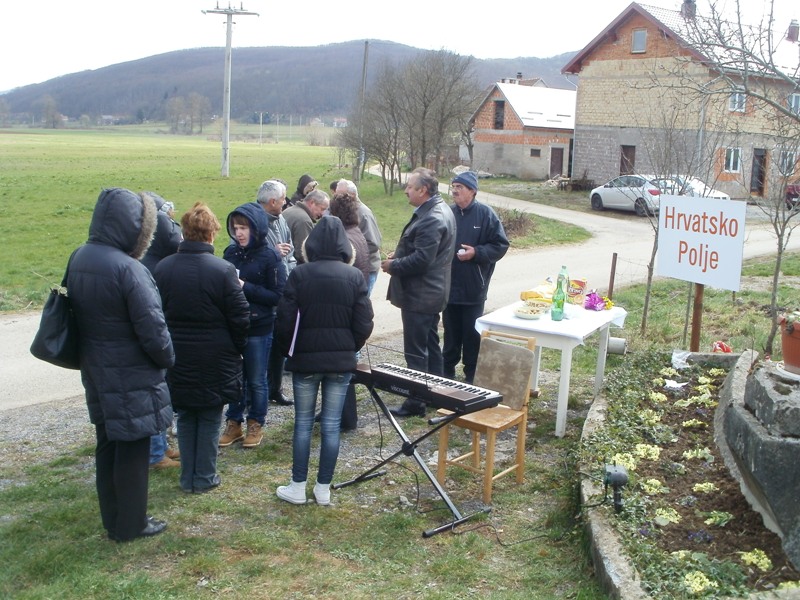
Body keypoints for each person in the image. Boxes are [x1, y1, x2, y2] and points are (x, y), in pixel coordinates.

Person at [67, 187, 174, 542]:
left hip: (95, 368)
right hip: (131, 373)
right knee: (132, 449)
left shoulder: (79, 256)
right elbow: (153, 328)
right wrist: (167, 359)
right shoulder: (129, 268)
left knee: (107, 444)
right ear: (134, 227)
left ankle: (113, 518)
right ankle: (132, 524)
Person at [275, 216, 374, 505]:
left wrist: (288, 351)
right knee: (331, 425)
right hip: (340, 363)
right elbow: (364, 322)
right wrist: (350, 348)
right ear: (345, 246)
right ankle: (323, 488)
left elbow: (284, 320)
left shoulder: (300, 274)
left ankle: (297, 486)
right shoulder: (355, 276)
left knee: (303, 424)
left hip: (305, 361)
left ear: (311, 245)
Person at [154, 203, 250, 493]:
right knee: (209, 414)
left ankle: (188, 478)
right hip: (216, 355)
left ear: (185, 233)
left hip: (177, 354)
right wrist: (237, 347)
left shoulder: (163, 268)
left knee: (185, 414)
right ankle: (204, 477)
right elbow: (241, 316)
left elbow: (156, 313)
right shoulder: (223, 271)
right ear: (211, 235)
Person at [381, 168, 456, 417]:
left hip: (421, 295)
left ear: (423, 190)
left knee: (415, 351)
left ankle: (416, 402)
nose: (405, 190)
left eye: (410, 187)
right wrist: (400, 255)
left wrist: (393, 265)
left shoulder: (432, 217)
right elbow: (424, 252)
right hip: (431, 292)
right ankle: (437, 393)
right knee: (431, 345)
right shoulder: (441, 209)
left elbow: (422, 260)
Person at [219, 202, 286, 448]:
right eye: (236, 228)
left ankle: (256, 422)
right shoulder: (230, 254)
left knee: (257, 379)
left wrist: (244, 286)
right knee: (236, 377)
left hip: (260, 327)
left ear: (256, 229)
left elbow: (278, 296)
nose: (239, 233)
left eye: (244, 228)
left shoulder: (271, 257)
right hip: (234, 326)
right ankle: (233, 422)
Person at [443, 171, 509, 383]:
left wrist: (476, 253)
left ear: (472, 191)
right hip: (448, 286)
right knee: (451, 334)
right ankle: (446, 373)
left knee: (472, 335)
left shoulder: (486, 215)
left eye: (459, 187)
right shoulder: (447, 213)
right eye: (453, 186)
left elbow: (500, 245)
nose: (454, 190)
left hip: (473, 288)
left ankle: (472, 376)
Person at [140, 192, 183, 470]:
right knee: (156, 390)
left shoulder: (143, 239)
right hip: (157, 327)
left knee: (161, 389)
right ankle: (155, 452)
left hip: (158, 324)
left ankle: (161, 444)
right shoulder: (164, 230)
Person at [328, 192, 371, 431]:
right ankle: (343, 416)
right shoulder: (357, 233)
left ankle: (345, 419)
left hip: (345, 309)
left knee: (343, 369)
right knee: (347, 365)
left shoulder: (344, 238)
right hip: (355, 306)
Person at [256, 179, 296, 406]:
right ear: (272, 201)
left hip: (283, 290)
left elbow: (289, 249)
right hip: (263, 293)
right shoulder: (252, 220)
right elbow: (247, 253)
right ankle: (257, 394)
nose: (285, 202)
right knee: (262, 346)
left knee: (279, 344)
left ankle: (275, 389)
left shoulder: (281, 219)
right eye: (283, 199)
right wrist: (273, 253)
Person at [336, 178, 383, 296]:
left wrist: (348, 250)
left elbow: (373, 243)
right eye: (336, 195)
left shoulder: (363, 213)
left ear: (352, 195)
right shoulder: (344, 211)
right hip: (353, 268)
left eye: (341, 195)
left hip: (367, 269)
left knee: (361, 304)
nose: (337, 198)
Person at [283, 188, 330, 264]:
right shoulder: (304, 220)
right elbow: (303, 253)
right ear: (312, 202)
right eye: (322, 209)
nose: (322, 214)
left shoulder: (289, 210)